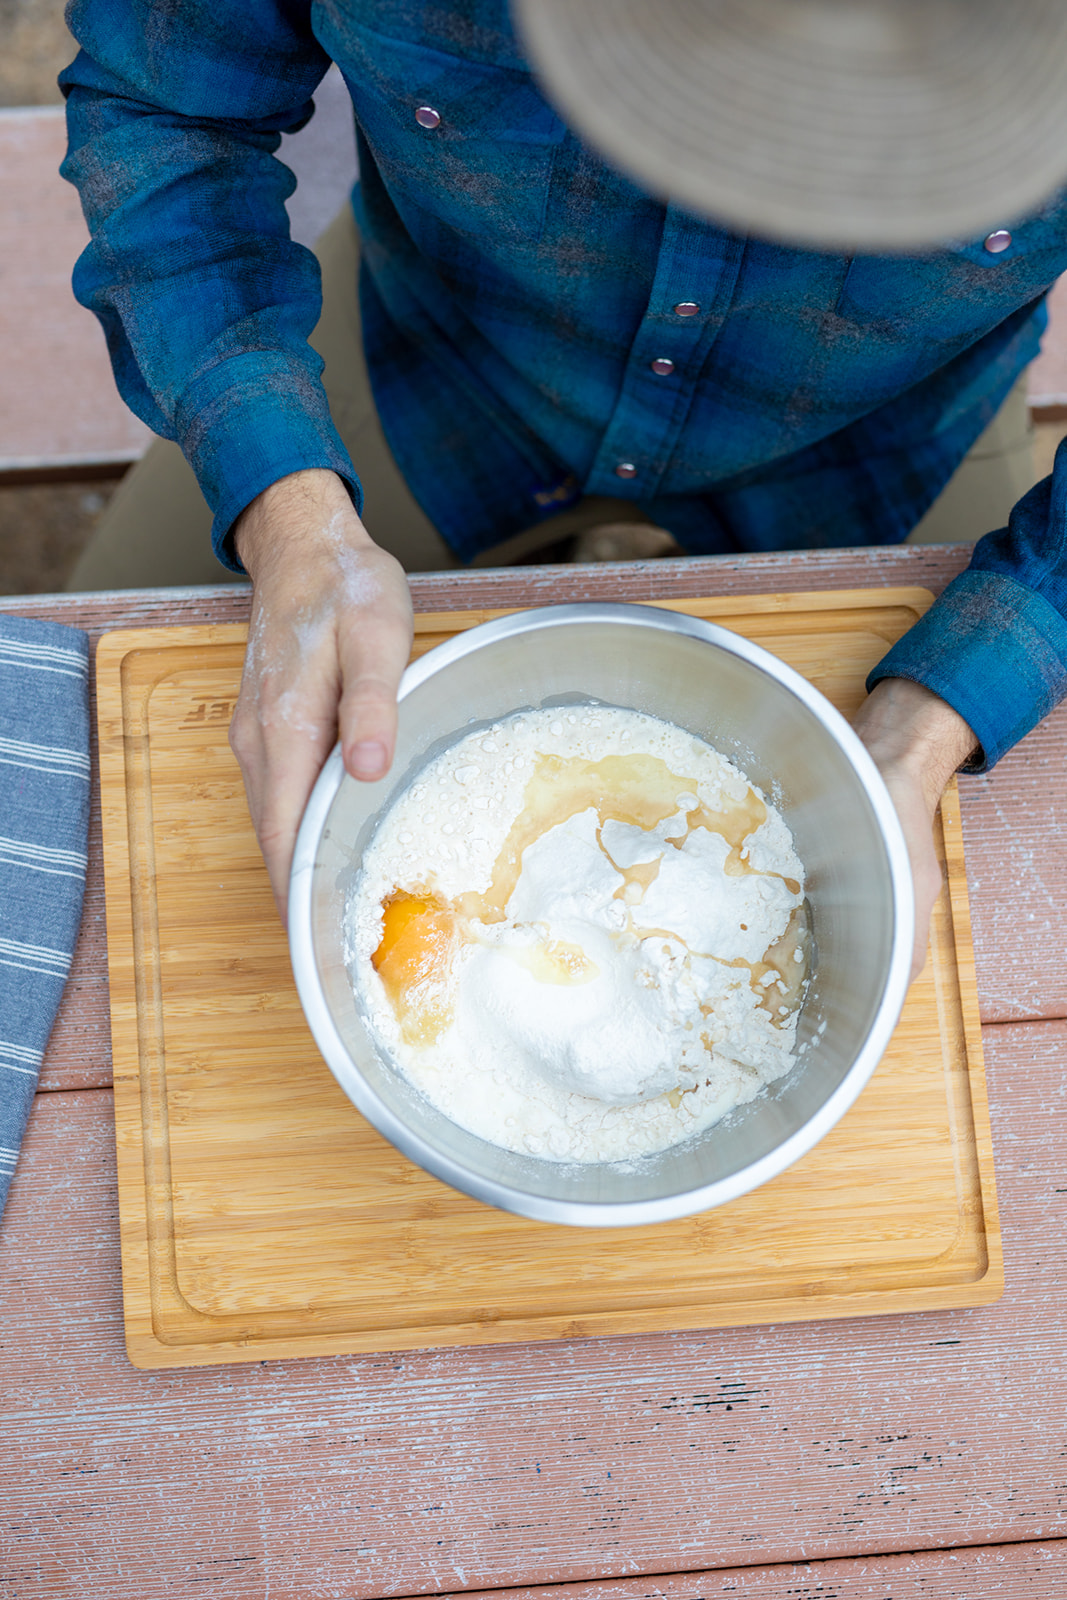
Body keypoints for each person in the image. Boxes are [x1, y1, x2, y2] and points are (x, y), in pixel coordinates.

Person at [59, 0, 1067, 979]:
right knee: (69, 721)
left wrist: (929, 722)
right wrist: (286, 513)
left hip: (872, 450)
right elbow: (166, 106)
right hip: (432, 372)